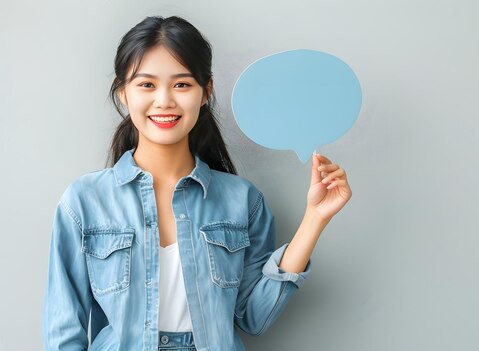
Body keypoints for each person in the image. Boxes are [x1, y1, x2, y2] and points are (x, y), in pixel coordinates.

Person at [42, 15, 352, 351]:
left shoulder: (242, 201)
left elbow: (254, 318)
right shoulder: (84, 201)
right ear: (123, 94)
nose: (164, 101)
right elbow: (64, 331)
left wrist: (315, 219)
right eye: (146, 84)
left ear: (206, 92)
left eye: (181, 84)